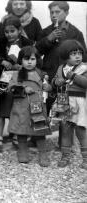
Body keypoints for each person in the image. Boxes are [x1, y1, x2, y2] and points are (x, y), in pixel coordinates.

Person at [35, 1, 87, 149]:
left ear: (66, 12)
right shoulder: (45, 32)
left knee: (64, 110)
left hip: (68, 78)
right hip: (49, 75)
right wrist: (48, 39)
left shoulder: (76, 33)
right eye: (51, 12)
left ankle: (63, 143)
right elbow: (37, 53)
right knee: (45, 106)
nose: (54, 15)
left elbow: (83, 56)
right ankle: (40, 141)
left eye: (57, 12)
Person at [0, 15, 34, 153]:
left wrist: (21, 66)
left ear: (19, 30)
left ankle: (15, 134)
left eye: (12, 31)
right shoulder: (0, 42)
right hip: (2, 77)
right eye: (6, 32)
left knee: (16, 107)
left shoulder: (27, 43)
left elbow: (32, 59)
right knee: (1, 107)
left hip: (18, 79)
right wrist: (2, 61)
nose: (9, 34)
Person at [8, 46, 52, 167]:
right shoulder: (17, 74)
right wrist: (22, 88)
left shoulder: (42, 74)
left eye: (32, 59)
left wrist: (49, 88)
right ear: (20, 60)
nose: (29, 62)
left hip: (37, 107)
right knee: (21, 130)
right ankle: (22, 150)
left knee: (40, 131)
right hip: (22, 107)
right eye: (26, 59)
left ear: (37, 60)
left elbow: (48, 87)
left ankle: (43, 153)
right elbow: (10, 88)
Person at [51, 40, 87, 169]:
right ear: (66, 55)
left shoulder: (84, 67)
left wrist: (74, 76)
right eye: (73, 54)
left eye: (79, 53)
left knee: (81, 131)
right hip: (64, 102)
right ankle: (65, 156)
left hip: (79, 103)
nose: (78, 56)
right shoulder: (61, 68)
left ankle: (86, 158)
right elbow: (53, 81)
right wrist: (57, 82)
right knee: (65, 130)